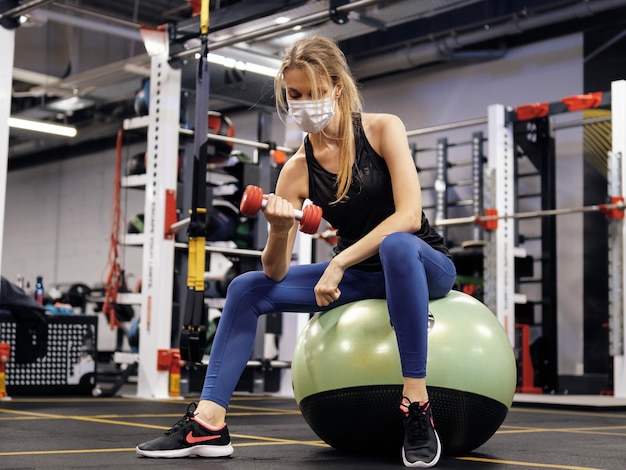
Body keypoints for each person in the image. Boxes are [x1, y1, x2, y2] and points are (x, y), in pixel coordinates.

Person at [136, 35, 456, 468]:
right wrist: (280, 228)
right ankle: (209, 422)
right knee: (247, 288)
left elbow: (409, 217)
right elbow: (274, 270)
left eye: (314, 92)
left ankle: (417, 405)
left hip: (420, 263)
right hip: (362, 274)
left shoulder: (383, 128)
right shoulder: (297, 168)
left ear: (337, 88)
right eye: (294, 94)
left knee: (398, 244)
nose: (304, 103)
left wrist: (339, 262)